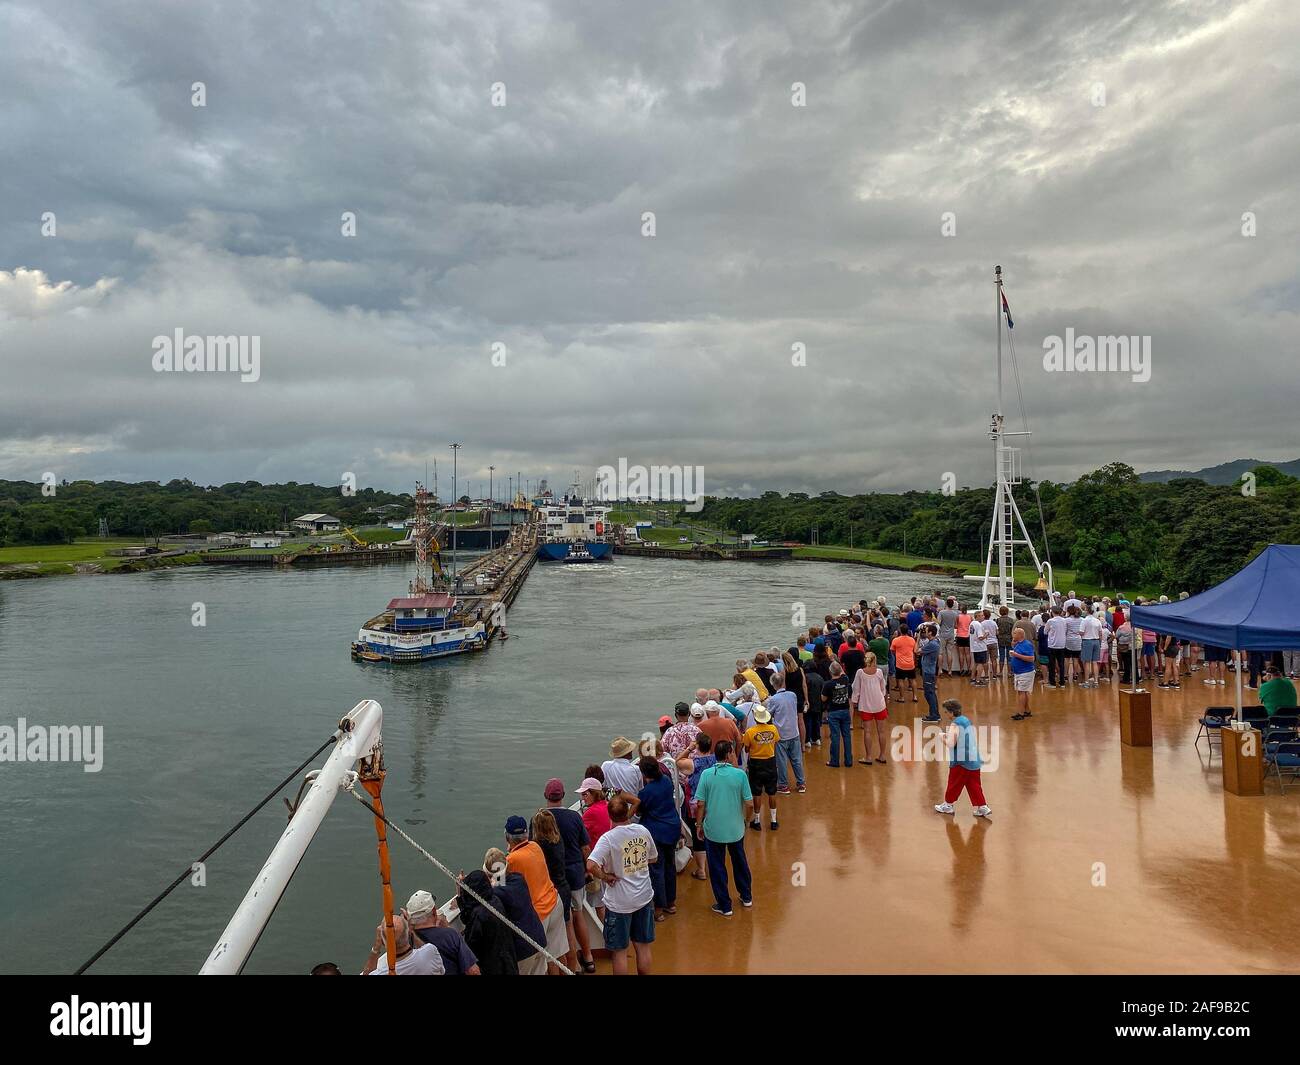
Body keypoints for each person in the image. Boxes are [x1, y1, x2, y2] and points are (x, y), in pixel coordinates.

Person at [586, 794, 657, 975]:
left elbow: (591, 865)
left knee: (619, 953)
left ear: (610, 815)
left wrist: (605, 876)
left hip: (620, 903)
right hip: (643, 896)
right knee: (642, 947)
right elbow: (653, 857)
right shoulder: (643, 831)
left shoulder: (608, 839)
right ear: (628, 812)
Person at [693, 739, 754, 917]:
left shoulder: (706, 774)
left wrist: (698, 825)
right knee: (740, 862)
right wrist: (746, 821)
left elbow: (700, 804)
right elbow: (749, 804)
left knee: (717, 866)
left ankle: (724, 905)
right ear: (728, 754)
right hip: (736, 829)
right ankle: (746, 896)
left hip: (714, 830)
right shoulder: (740, 775)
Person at [542, 778, 596, 973]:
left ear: (546, 796)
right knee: (578, 914)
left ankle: (570, 966)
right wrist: (588, 870)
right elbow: (585, 847)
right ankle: (588, 957)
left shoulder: (540, 819)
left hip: (552, 879)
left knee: (563, 923)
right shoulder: (574, 817)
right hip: (574, 873)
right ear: (563, 796)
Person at [503, 815, 568, 975]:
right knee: (556, 955)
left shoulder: (511, 860)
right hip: (555, 903)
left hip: (539, 914)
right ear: (526, 834)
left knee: (539, 963)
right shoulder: (535, 846)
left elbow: (498, 886)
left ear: (507, 836)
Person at [483, 846, 548, 975]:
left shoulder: (496, 894)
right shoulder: (519, 878)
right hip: (539, 939)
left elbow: (492, 892)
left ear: (489, 874)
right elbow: (502, 883)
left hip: (523, 949)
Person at [635, 755, 683, 921]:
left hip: (656, 833)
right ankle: (671, 903)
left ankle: (659, 908)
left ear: (644, 774)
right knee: (670, 865)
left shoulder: (645, 792)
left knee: (656, 870)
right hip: (672, 828)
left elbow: (639, 811)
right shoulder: (667, 782)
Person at [933, 699, 991, 819]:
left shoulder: (955, 724)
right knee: (974, 784)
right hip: (974, 759)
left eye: (946, 712)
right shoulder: (965, 720)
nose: (945, 714)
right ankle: (982, 807)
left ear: (952, 712)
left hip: (961, 761)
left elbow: (950, 743)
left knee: (954, 783)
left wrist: (941, 737)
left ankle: (948, 805)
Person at [456, 870, 519, 975]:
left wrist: (461, 895)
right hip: (508, 961)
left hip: (493, 967)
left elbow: (471, 944)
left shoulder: (479, 914)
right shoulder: (495, 901)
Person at [405, 889, 481, 974]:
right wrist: (447, 927)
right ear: (434, 911)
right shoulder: (450, 935)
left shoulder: (406, 941)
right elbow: (473, 971)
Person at [676, 732, 715, 882]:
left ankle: (701, 870)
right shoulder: (715, 760)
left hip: (695, 804)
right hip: (712, 802)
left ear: (697, 745)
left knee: (698, 838)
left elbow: (677, 761)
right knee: (711, 834)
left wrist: (689, 748)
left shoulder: (693, 763)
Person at [361, 912, 445, 975]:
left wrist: (376, 947)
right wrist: (411, 930)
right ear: (408, 933)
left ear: (383, 942)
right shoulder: (431, 952)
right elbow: (425, 949)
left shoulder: (383, 973)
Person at [767, 670, 806, 794]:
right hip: (794, 732)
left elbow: (768, 715)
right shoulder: (792, 695)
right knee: (796, 759)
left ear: (773, 685)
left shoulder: (773, 699)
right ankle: (801, 783)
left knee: (782, 761)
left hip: (781, 734)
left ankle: (783, 785)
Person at [741, 705, 780, 830]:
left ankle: (757, 821)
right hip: (770, 762)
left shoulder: (750, 732)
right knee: (772, 791)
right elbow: (776, 742)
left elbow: (746, 748)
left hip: (756, 764)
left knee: (756, 792)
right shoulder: (773, 728)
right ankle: (774, 820)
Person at [852, 650, 891, 760]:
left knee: (867, 731)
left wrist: (854, 701)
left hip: (866, 706)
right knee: (882, 731)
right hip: (879, 705)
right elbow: (883, 688)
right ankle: (882, 755)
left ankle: (868, 757)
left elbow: (856, 688)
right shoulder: (878, 672)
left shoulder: (860, 672)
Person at [822, 659, 854, 767]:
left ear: (830, 672)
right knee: (847, 736)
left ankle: (834, 761)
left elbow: (823, 698)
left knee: (835, 737)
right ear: (840, 671)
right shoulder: (845, 680)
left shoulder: (828, 684)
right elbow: (843, 674)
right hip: (845, 711)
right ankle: (848, 760)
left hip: (834, 712)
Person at [1009, 624, 1036, 720]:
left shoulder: (1027, 645)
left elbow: (1031, 658)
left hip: (1025, 672)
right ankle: (1027, 710)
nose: (1013, 634)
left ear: (1020, 635)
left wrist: (1016, 655)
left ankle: (1021, 713)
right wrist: (1014, 643)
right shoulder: (1019, 644)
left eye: (1015, 633)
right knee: (1023, 692)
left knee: (1022, 692)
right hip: (1019, 672)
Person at [917, 626, 941, 722]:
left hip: (928, 672)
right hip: (929, 671)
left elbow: (916, 651)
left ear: (930, 633)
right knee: (930, 694)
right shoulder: (934, 642)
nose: (924, 633)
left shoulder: (932, 644)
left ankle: (934, 716)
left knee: (929, 694)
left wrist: (918, 638)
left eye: (926, 631)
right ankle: (935, 714)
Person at [890, 623, 918, 702]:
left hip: (900, 664)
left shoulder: (896, 640)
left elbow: (892, 650)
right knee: (913, 680)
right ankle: (915, 696)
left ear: (900, 630)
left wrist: (897, 654)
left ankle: (902, 697)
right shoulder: (912, 639)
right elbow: (914, 650)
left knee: (900, 680)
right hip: (910, 663)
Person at [803, 657, 825, 750]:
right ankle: (817, 738)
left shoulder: (805, 677)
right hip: (818, 703)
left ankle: (807, 740)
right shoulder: (820, 677)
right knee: (817, 721)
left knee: (807, 721)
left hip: (808, 704)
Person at [938, 598, 959, 676]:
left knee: (941, 653)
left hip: (942, 634)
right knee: (949, 652)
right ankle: (950, 670)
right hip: (951, 634)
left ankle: (940, 669)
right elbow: (956, 625)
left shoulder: (941, 612)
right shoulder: (955, 614)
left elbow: (939, 623)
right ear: (953, 605)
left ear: (946, 604)